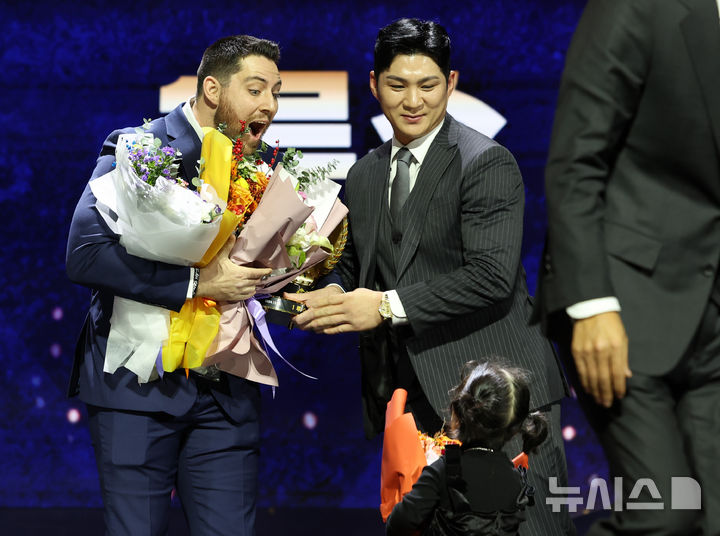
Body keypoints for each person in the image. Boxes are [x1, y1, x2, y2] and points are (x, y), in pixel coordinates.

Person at [289, 18, 574, 535]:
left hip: (501, 398)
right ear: (374, 84)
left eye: (428, 85)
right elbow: (356, 261)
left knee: (528, 528)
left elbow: (490, 276)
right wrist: (331, 292)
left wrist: (381, 306)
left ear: (451, 83)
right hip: (418, 400)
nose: (413, 100)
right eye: (397, 85)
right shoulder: (365, 173)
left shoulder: (486, 162)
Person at [66, 35, 282, 535]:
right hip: (136, 391)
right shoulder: (139, 149)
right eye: (255, 90)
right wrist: (197, 282)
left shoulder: (265, 166)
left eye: (276, 92)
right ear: (212, 89)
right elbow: (85, 256)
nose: (269, 105)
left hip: (225, 397)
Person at [535, 0, 720, 533]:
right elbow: (576, 163)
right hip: (624, 300)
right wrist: (591, 305)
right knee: (665, 517)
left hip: (711, 314)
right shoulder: (636, 7)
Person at [386, 359, 548, 536]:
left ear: (457, 413)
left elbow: (398, 523)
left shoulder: (444, 471)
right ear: (515, 430)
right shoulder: (515, 478)